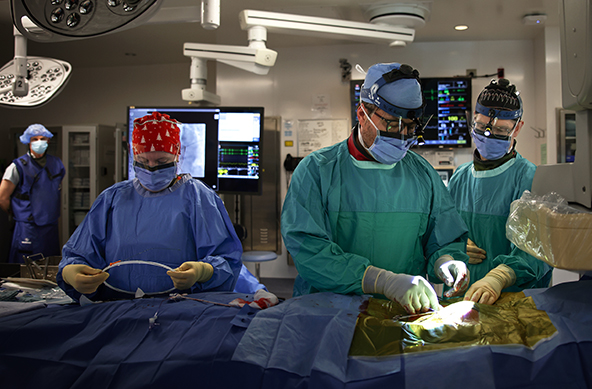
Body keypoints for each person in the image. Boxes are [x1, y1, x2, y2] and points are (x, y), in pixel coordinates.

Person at [281, 63, 470, 314]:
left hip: (404, 315)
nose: (402, 136)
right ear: (362, 114)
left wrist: (446, 260)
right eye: (392, 124)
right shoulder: (316, 171)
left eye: (410, 127)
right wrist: (381, 281)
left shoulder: (423, 174)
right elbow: (310, 251)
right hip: (329, 316)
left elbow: (444, 238)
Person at [57, 112, 264, 302]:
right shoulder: (112, 199)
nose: (152, 168)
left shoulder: (199, 198)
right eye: (143, 160)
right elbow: (78, 254)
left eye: (162, 160)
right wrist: (71, 273)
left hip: (181, 311)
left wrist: (202, 271)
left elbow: (227, 260)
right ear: (133, 157)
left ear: (177, 156)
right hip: (116, 309)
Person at [448, 78, 552, 306]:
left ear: (518, 128)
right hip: (464, 300)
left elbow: (540, 249)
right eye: (481, 126)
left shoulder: (531, 178)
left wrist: (500, 276)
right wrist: (454, 246)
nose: (488, 136)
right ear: (472, 119)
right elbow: (442, 232)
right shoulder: (459, 178)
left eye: (500, 130)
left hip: (516, 303)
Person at [0, 124, 65, 263]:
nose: (39, 142)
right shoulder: (17, 166)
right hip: (28, 225)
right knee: (25, 263)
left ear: (48, 141)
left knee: (49, 262)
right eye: (35, 139)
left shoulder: (56, 164)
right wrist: (17, 214)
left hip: (50, 224)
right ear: (28, 141)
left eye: (42, 138)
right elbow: (3, 198)